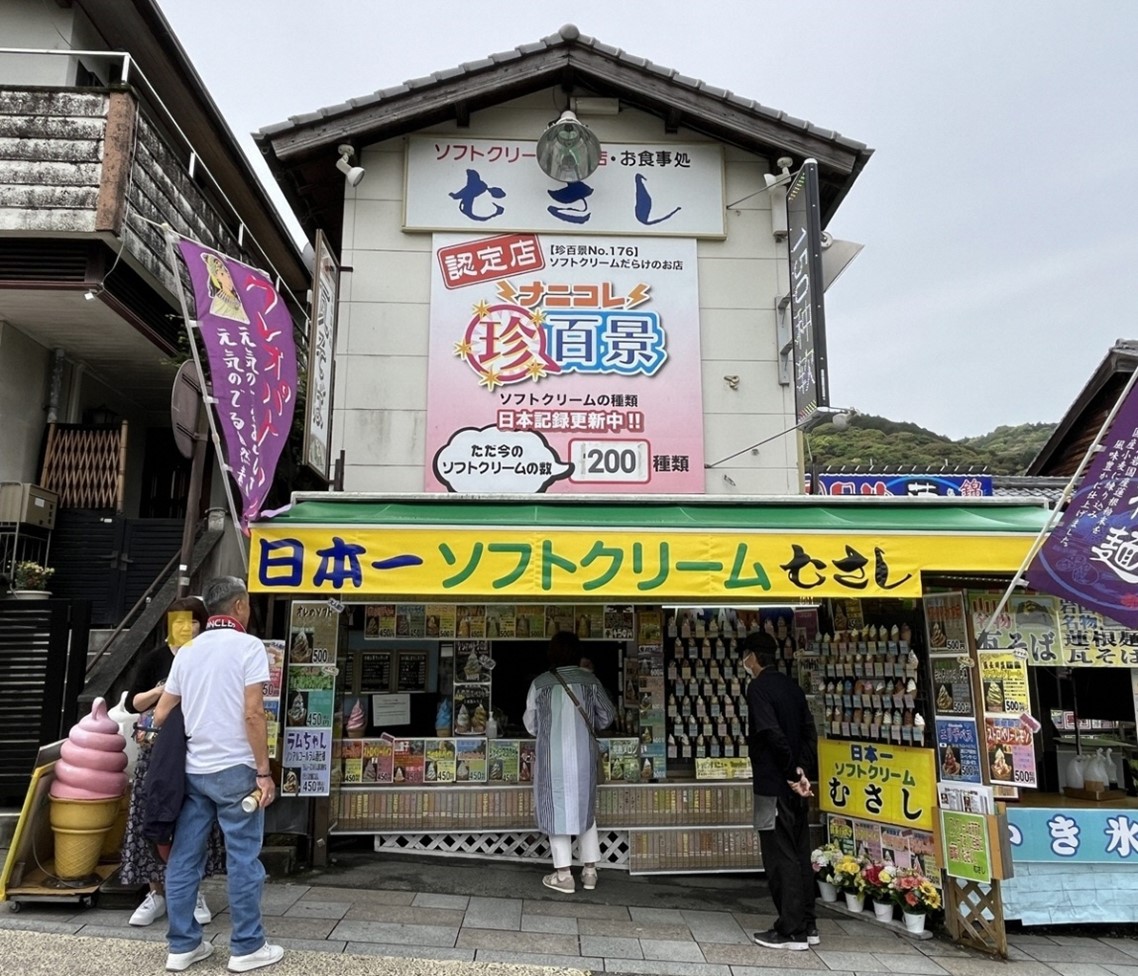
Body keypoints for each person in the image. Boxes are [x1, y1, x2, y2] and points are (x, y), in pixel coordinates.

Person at [154, 577, 282, 973]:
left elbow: (161, 713)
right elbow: (253, 713)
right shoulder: (249, 647)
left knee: (184, 858)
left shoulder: (188, 651)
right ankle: (246, 947)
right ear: (240, 605)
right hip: (237, 770)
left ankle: (182, 946)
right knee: (243, 859)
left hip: (194, 770)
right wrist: (264, 772)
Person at [120, 596, 224, 927]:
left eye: (192, 621)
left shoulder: (208, 657)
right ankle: (156, 893)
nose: (185, 627)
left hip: (196, 748)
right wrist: (164, 690)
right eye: (178, 621)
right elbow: (132, 703)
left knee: (195, 817)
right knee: (150, 815)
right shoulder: (156, 658)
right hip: (155, 750)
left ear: (203, 625)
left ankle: (194, 891)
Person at [742, 632, 819, 952]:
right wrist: (802, 772)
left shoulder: (758, 688)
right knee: (799, 854)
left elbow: (770, 733)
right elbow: (809, 733)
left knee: (779, 857)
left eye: (746, 656)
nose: (745, 662)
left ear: (752, 657)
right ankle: (808, 924)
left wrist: (789, 773)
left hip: (774, 785)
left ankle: (791, 930)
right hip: (796, 786)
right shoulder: (793, 687)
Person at [523, 631, 616, 894]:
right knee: (585, 810)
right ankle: (590, 872)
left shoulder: (540, 683)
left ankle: (563, 875)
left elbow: (531, 724)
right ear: (578, 653)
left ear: (551, 654)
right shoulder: (590, 681)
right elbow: (607, 716)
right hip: (584, 758)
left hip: (552, 761)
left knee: (556, 810)